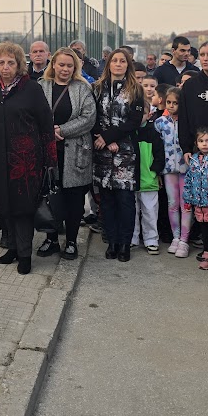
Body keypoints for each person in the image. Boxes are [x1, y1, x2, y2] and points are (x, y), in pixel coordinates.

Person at [0, 42, 56, 274]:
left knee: (23, 208)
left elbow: (46, 126)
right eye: (1, 62)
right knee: (4, 205)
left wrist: (50, 160)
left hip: (26, 162)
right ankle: (12, 248)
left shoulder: (31, 89)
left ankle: (25, 255)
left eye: (11, 62)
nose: (6, 67)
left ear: (19, 65)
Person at [37, 47, 96, 260]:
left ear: (75, 67)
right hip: (48, 153)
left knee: (74, 200)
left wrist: (61, 130)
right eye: (61, 64)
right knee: (51, 197)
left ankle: (71, 241)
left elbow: (88, 118)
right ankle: (51, 239)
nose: (65, 69)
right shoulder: (41, 86)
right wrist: (48, 132)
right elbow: (32, 114)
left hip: (76, 153)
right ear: (53, 64)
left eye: (69, 65)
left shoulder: (83, 88)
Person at [91, 48, 146, 261]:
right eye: (115, 60)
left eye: (123, 61)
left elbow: (134, 121)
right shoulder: (97, 88)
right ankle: (111, 241)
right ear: (109, 64)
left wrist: (110, 137)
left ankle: (124, 244)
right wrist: (105, 139)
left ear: (128, 65)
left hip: (125, 153)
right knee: (106, 200)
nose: (118, 64)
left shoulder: (136, 89)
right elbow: (92, 116)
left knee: (125, 200)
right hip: (102, 152)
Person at [155, 87, 191, 258]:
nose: (171, 105)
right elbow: (157, 148)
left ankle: (184, 240)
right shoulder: (160, 123)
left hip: (186, 169)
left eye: (175, 103)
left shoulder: (188, 121)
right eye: (169, 102)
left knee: (186, 204)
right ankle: (175, 237)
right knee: (172, 203)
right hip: (168, 169)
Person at [184, 128, 208, 270]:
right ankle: (207, 251)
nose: (204, 144)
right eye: (201, 141)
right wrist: (188, 199)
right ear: (196, 143)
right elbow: (188, 179)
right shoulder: (193, 159)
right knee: (204, 228)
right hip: (198, 202)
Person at [133, 112, 165, 254]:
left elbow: (160, 154)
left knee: (150, 211)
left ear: (149, 115)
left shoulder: (153, 133)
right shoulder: (128, 132)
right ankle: (132, 238)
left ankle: (151, 239)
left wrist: (155, 172)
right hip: (131, 179)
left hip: (149, 180)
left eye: (143, 113)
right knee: (131, 211)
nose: (139, 115)